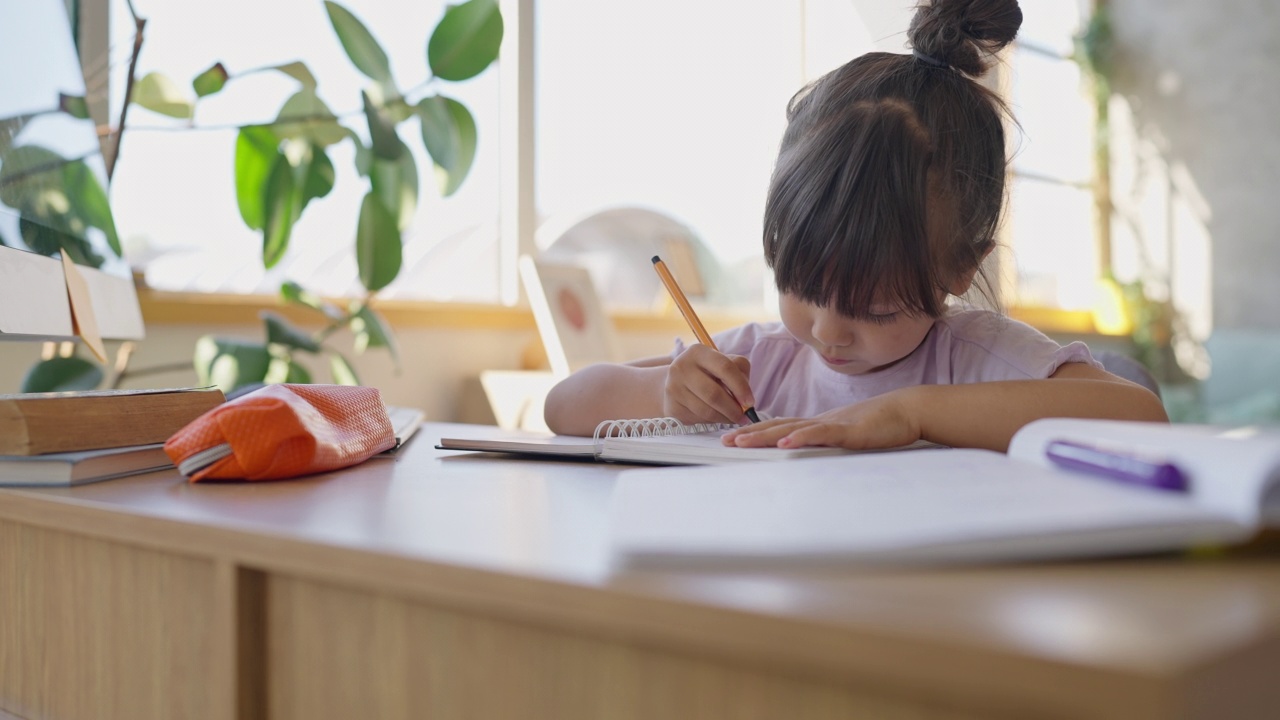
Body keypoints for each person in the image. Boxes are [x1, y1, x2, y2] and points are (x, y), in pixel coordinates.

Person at [543, 0, 1167, 452]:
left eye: (873, 309)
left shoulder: (973, 359)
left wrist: (912, 412)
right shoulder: (762, 362)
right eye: (804, 289)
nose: (828, 331)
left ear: (960, 265)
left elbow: (1139, 416)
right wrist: (665, 397)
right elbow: (565, 406)